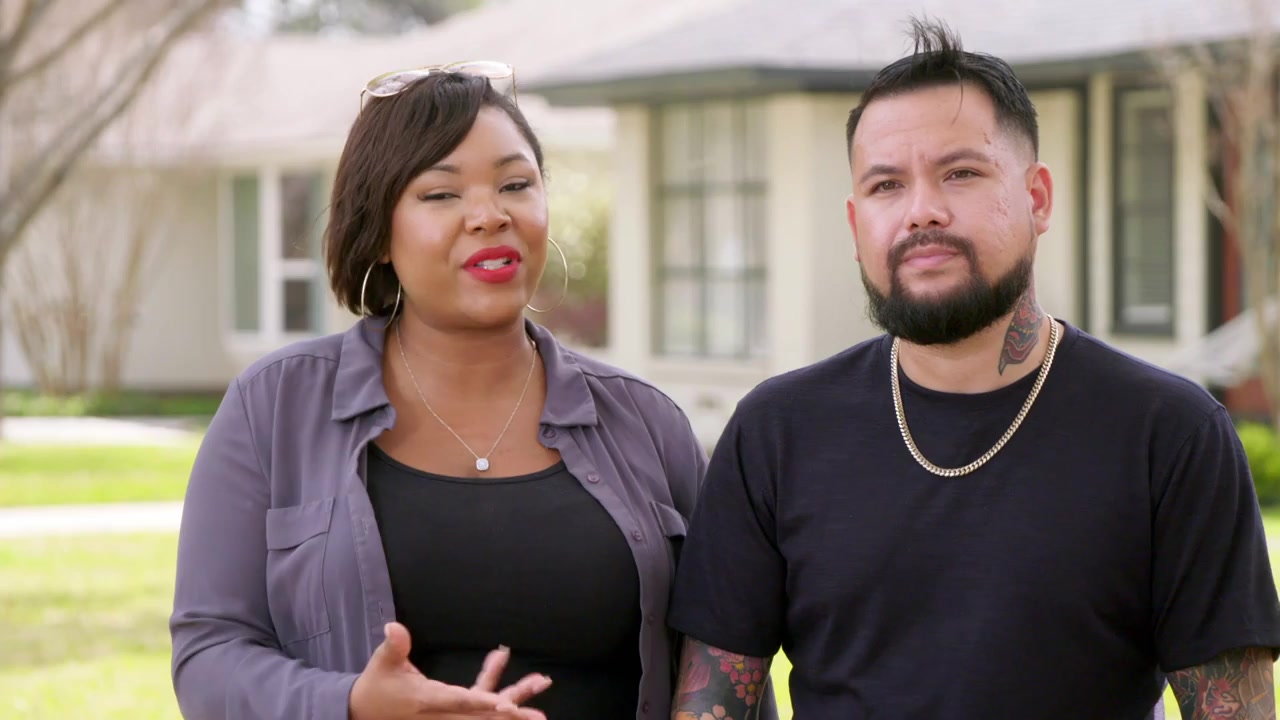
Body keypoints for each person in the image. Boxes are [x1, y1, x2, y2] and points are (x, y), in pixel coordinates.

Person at [667, 18, 1280, 720]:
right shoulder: (776, 432)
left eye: (960, 173)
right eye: (887, 185)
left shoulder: (1169, 434)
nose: (922, 211)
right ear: (856, 224)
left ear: (1037, 199)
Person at [169, 62, 723, 720]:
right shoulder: (274, 408)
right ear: (377, 231)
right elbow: (210, 655)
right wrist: (351, 703)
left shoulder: (647, 422)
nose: (489, 216)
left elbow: (723, 662)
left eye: (515, 185)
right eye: (441, 194)